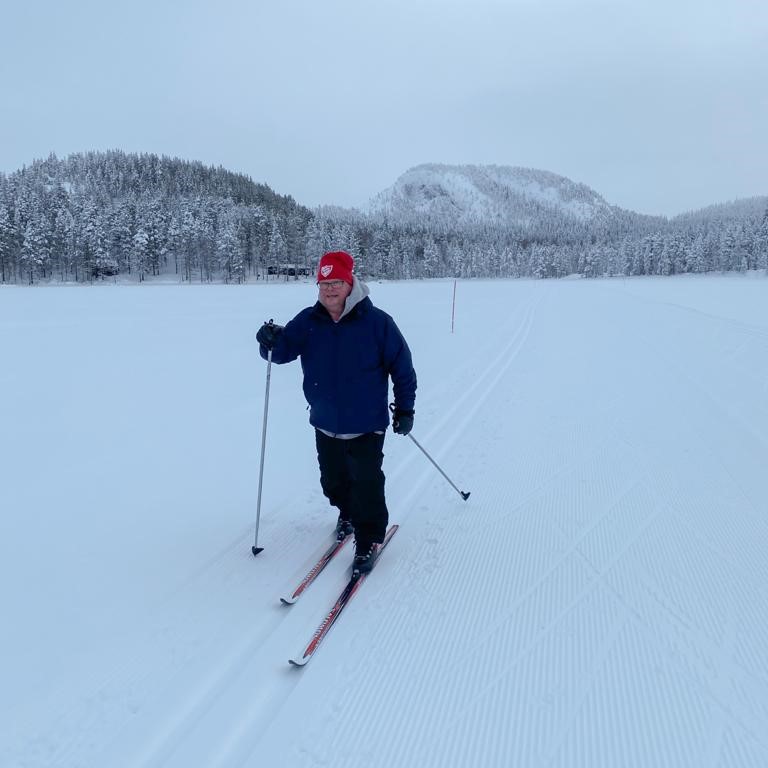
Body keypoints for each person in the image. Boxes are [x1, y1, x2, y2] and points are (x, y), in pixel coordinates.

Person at [256, 250, 417, 573]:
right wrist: (268, 341)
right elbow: (282, 352)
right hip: (325, 420)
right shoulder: (309, 320)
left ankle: (369, 536)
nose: (329, 289)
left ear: (351, 283)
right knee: (333, 480)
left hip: (366, 422)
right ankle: (346, 512)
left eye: (336, 282)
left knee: (366, 482)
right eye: (324, 283)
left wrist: (405, 408)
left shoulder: (377, 323)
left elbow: (402, 368)